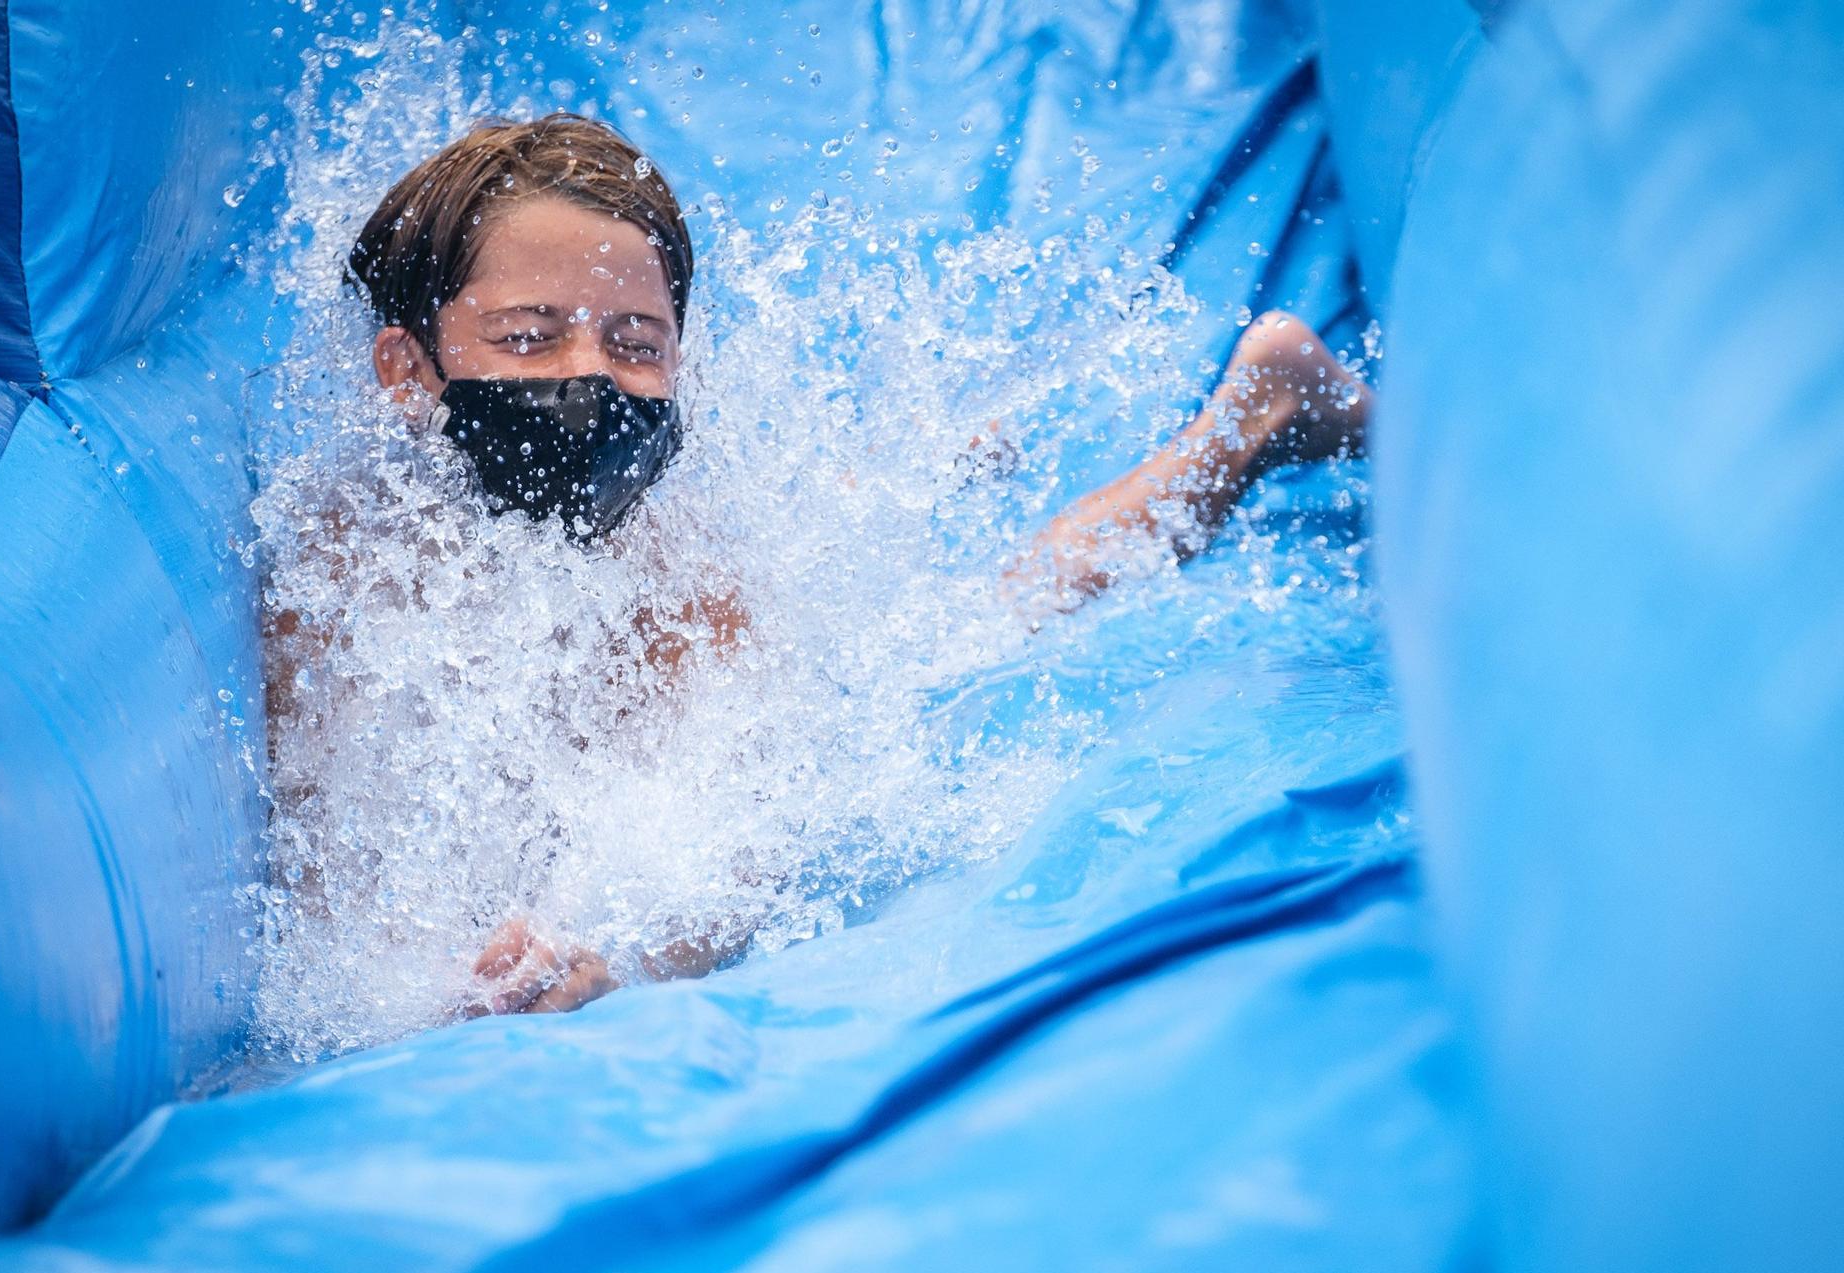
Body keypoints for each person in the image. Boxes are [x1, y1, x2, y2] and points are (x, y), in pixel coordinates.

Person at [276, 111, 1373, 1017]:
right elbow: (326, 874)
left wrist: (616, 953)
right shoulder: (342, 564)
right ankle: (957, 453)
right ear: (405, 370)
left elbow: (731, 841)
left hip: (822, 679)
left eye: (636, 344)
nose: (590, 376)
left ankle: (1245, 418)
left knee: (999, 608)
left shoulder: (688, 589)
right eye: (527, 337)